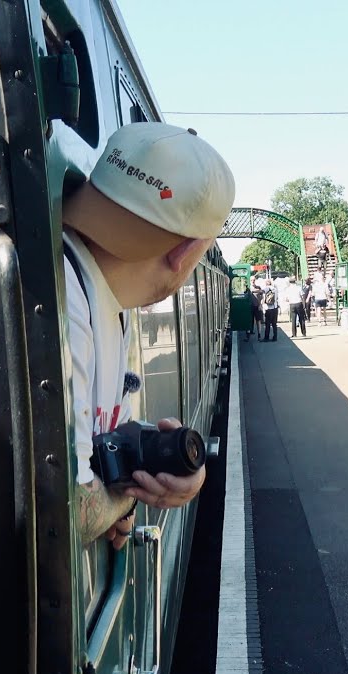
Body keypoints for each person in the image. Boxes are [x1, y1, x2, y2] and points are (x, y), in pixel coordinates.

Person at [61, 122, 235, 548]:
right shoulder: (65, 291)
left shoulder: (103, 295)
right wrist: (123, 501)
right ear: (186, 253)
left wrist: (168, 468)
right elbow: (67, 511)